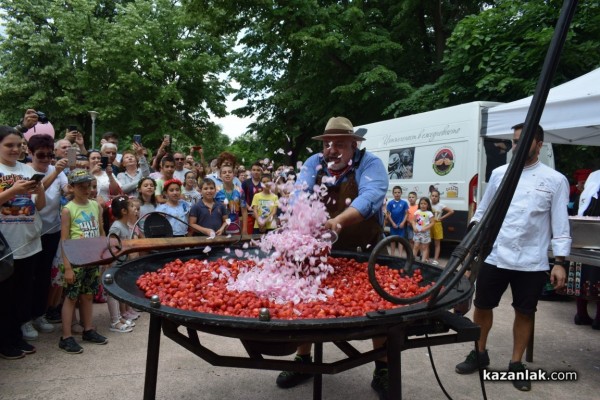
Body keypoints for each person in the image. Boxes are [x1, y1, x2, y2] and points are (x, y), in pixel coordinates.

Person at [276, 117, 388, 398]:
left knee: (377, 306)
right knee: (306, 301)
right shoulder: (314, 163)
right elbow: (298, 194)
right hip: (320, 252)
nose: (331, 149)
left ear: (354, 144)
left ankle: (383, 366)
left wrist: (337, 222)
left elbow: (371, 196)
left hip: (364, 250)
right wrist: (295, 217)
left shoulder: (369, 164)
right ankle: (304, 359)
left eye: (339, 144)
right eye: (328, 143)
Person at [455, 123, 570, 392]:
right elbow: (483, 212)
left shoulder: (555, 180)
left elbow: (560, 224)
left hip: (532, 260)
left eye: (524, 141)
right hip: (495, 255)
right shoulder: (499, 174)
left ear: (539, 144)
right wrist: (471, 243)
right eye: (515, 141)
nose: (517, 146)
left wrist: (561, 263)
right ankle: (479, 353)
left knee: (525, 311)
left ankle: (516, 364)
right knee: (482, 306)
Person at [0, 126, 45, 359]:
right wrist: (13, 191)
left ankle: (15, 336)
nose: (15, 149)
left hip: (29, 241)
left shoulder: (26, 169)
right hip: (5, 246)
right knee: (4, 297)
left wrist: (41, 189)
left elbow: (39, 206)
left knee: (22, 294)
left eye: (18, 145)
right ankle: (5, 342)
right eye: (9, 145)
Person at [59, 169, 108, 354]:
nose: (87, 189)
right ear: (71, 187)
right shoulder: (68, 209)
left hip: (92, 258)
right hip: (75, 260)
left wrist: (105, 255)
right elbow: (64, 240)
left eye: (89, 185)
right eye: (81, 186)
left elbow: (101, 231)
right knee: (72, 297)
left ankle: (88, 329)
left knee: (88, 295)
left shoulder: (96, 205)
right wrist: (67, 267)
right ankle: (66, 337)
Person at [27, 134, 70, 337]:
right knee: (28, 278)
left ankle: (39, 314)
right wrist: (58, 171)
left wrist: (75, 185)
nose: (46, 159)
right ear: (30, 153)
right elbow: (37, 189)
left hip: (51, 231)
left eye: (49, 155)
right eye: (40, 155)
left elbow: (66, 190)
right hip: (30, 234)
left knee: (44, 277)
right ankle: (24, 320)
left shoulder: (56, 169)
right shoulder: (25, 171)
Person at [572, 168, 600, 329]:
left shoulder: (583, 198)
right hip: (595, 243)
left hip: (581, 241)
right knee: (595, 279)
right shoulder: (594, 198)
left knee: (582, 280)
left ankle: (581, 314)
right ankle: (597, 318)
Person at [215, 164, 248, 235]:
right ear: (220, 175)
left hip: (235, 226)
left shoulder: (240, 191)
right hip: (219, 227)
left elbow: (244, 211)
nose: (227, 174)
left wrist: (245, 229)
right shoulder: (216, 191)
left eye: (230, 172)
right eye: (224, 172)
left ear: (234, 174)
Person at [429, 189, 454, 265]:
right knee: (427, 242)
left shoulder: (441, 205)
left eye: (436, 196)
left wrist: (442, 218)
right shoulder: (428, 204)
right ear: (430, 196)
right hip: (429, 224)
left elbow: (451, 211)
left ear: (438, 197)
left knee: (437, 243)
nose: (434, 197)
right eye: (432, 196)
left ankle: (435, 260)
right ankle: (426, 257)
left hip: (437, 224)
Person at [386, 186, 409, 257]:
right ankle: (392, 255)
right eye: (395, 192)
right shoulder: (390, 203)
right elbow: (388, 214)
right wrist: (392, 223)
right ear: (393, 193)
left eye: (399, 192)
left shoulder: (404, 203)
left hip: (401, 226)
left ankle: (400, 255)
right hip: (393, 225)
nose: (397, 194)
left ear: (401, 193)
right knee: (392, 241)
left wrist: (403, 223)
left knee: (400, 241)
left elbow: (406, 214)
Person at [242, 162, 263, 234]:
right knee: (250, 236)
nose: (256, 172)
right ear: (251, 171)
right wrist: (248, 207)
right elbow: (242, 198)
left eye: (258, 170)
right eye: (254, 170)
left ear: (261, 171)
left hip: (261, 214)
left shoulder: (264, 183)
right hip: (249, 214)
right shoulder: (245, 183)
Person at [412, 197, 435, 263]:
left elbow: (432, 222)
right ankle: (413, 259)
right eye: (421, 203)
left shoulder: (429, 213)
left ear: (428, 205)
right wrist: (414, 227)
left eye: (425, 204)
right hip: (417, 232)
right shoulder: (417, 212)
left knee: (424, 247)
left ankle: (423, 261)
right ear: (419, 204)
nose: (423, 205)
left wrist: (426, 228)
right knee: (416, 246)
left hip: (425, 233)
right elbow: (413, 221)